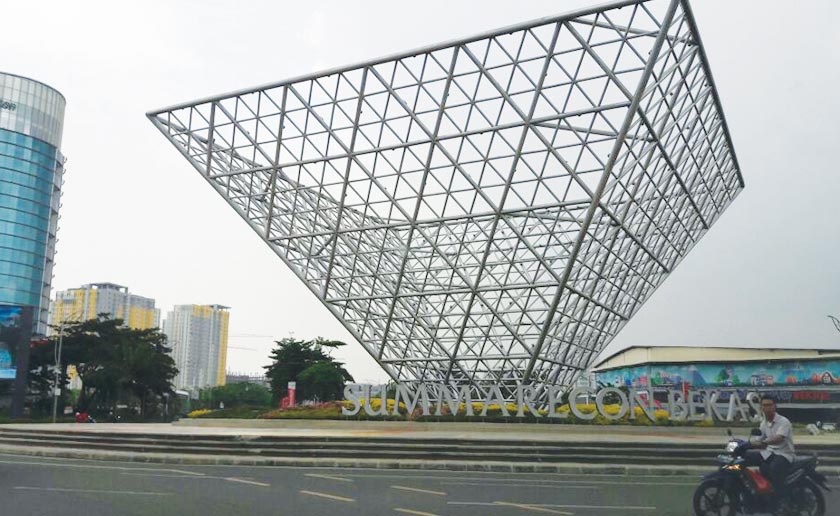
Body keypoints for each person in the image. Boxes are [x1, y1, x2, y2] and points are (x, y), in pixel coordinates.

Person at [745, 394, 795, 502]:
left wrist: (763, 442)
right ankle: (753, 487)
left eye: (769, 405)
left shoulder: (783, 421)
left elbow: (779, 438)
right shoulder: (763, 423)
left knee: (774, 467)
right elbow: (759, 440)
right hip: (769, 453)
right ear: (760, 407)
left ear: (774, 406)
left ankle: (779, 497)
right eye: (764, 405)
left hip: (784, 454)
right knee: (746, 458)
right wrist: (746, 444)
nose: (766, 408)